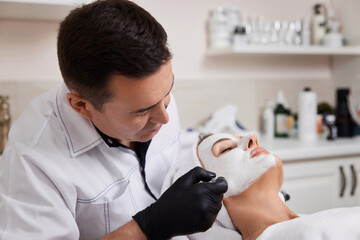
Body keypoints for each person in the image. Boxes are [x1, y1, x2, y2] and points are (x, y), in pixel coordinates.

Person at [0, 1, 228, 239]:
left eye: (167, 92)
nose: (165, 117)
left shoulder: (153, 97)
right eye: (141, 112)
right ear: (81, 106)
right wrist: (150, 226)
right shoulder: (31, 159)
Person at [165, 132, 360, 240]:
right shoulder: (307, 233)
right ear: (207, 196)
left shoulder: (309, 225)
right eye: (226, 149)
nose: (252, 137)